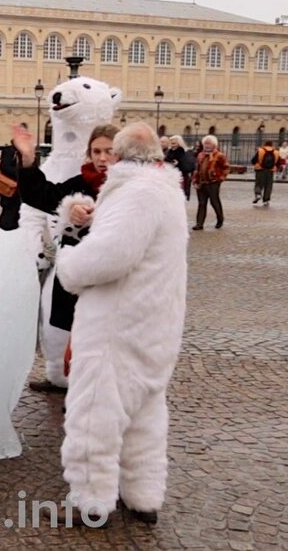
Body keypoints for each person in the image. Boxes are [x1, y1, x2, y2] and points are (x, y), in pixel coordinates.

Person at [48, 123, 187, 527]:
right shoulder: (165, 189)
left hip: (118, 323)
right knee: (145, 413)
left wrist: (69, 266)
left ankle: (91, 501)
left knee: (96, 412)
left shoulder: (135, 192)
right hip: (156, 322)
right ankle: (142, 495)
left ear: (122, 158)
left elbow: (110, 255)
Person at [12, 124, 120, 393]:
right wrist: (27, 161)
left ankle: (95, 397)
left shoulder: (130, 187)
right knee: (73, 332)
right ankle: (69, 384)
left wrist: (94, 218)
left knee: (103, 340)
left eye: (109, 151)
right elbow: (42, 195)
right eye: (96, 151)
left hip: (109, 278)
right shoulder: (81, 182)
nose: (102, 158)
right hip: (76, 276)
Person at [192, 135, 229, 230]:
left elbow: (226, 167)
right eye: (205, 143)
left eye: (209, 143)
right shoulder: (201, 155)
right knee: (202, 203)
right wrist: (195, 180)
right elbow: (197, 168)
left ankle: (220, 218)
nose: (206, 145)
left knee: (214, 202)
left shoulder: (219, 155)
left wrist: (221, 178)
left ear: (214, 145)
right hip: (202, 182)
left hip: (213, 182)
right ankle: (199, 223)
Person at [164, 135, 194, 200]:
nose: (172, 145)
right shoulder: (168, 152)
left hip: (181, 177)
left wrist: (178, 164)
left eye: (174, 143)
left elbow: (188, 167)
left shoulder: (184, 153)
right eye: (171, 143)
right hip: (169, 176)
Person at [250, 140, 279, 206]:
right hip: (270, 171)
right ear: (272, 144)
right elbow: (278, 163)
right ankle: (266, 200)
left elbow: (253, 160)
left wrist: (256, 164)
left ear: (265, 144)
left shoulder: (260, 151)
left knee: (258, 184)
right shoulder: (276, 152)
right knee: (268, 185)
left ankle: (258, 194)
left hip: (260, 170)